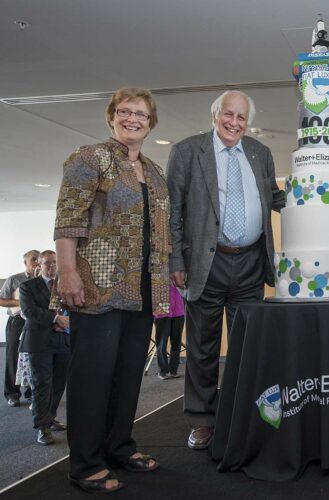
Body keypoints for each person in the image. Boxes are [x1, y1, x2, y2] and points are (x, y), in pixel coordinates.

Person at [54, 87, 172, 493]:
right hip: (97, 287)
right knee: (93, 376)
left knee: (128, 375)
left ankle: (119, 447)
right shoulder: (90, 158)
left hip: (142, 288)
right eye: (124, 111)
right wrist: (67, 272)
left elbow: (159, 230)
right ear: (111, 117)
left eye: (140, 113)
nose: (132, 118)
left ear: (151, 122)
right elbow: (68, 221)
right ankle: (84, 463)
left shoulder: (155, 172)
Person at [166, 90, 285, 450]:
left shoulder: (260, 154)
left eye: (241, 118)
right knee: (202, 348)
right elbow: (172, 211)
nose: (234, 123)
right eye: (228, 115)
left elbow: (274, 198)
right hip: (205, 263)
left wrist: (308, 195)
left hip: (250, 260)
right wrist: (175, 261)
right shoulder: (187, 151)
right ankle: (202, 420)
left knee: (248, 346)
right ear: (215, 114)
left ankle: (243, 414)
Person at [18, 250, 70, 446]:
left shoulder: (65, 284)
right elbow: (29, 311)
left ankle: (51, 417)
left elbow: (74, 306)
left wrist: (66, 322)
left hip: (62, 340)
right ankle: (42, 427)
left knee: (58, 384)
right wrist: (56, 319)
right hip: (39, 342)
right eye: (47, 263)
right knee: (42, 385)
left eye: (55, 262)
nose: (52, 266)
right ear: (39, 264)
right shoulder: (27, 286)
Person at [0, 249, 39, 407]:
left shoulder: (43, 279)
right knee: (12, 358)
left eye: (38, 259)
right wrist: (21, 303)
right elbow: (1, 300)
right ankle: (12, 394)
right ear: (26, 263)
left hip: (35, 322)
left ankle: (31, 393)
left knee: (34, 358)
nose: (36, 262)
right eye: (33, 260)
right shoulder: (14, 279)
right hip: (16, 322)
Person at [154, 284, 185, 379]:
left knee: (176, 341)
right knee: (162, 342)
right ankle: (163, 371)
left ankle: (174, 370)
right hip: (162, 305)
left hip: (178, 307)